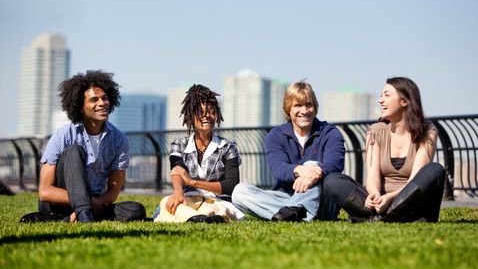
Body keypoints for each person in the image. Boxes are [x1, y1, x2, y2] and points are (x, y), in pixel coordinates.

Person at [21, 70, 146, 223]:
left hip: (94, 203)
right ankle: (84, 216)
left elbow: (113, 191)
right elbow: (45, 192)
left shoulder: (119, 139)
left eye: (104, 98)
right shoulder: (63, 135)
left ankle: (70, 218)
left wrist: (89, 203)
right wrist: (85, 203)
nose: (102, 103)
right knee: (74, 150)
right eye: (94, 100)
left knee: (136, 210)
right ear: (80, 106)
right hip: (58, 204)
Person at [324, 77, 446, 223]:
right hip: (380, 203)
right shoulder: (375, 132)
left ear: (405, 101)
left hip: (413, 205)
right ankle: (384, 217)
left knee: (435, 170)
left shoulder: (427, 132)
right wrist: (375, 193)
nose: (381, 100)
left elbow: (415, 180)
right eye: (381, 95)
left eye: (387, 95)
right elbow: (372, 176)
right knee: (332, 180)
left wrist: (391, 198)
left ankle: (379, 218)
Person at [232, 81, 345, 222]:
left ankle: (296, 211)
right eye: (298, 105)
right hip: (286, 195)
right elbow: (278, 168)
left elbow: (336, 164)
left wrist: (313, 173)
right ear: (288, 110)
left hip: (322, 199)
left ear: (315, 108)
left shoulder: (330, 133)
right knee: (239, 192)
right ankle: (298, 213)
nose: (304, 111)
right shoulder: (276, 135)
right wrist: (300, 170)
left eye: (308, 105)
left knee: (312, 164)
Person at [154, 84, 243, 223]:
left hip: (217, 200)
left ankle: (193, 217)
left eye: (212, 111)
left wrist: (192, 182)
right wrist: (178, 193)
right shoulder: (179, 144)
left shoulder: (228, 147)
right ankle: (197, 218)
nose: (207, 116)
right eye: (201, 112)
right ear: (190, 115)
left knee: (218, 209)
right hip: (189, 198)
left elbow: (231, 185)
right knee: (167, 202)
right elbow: (177, 170)